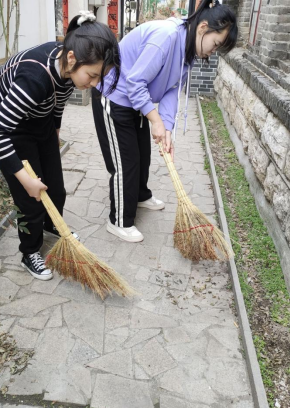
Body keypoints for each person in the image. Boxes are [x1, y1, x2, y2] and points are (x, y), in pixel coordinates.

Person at [0, 11, 121, 280]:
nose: (94, 84)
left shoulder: (69, 67)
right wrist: (25, 179)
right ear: (72, 58)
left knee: (55, 189)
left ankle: (51, 224)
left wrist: (54, 134)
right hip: (10, 128)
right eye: (92, 76)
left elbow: (58, 102)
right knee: (30, 199)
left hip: (39, 120)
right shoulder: (34, 77)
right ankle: (29, 251)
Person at [91, 0, 237, 243]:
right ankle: (119, 221)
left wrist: (166, 127)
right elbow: (135, 82)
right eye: (216, 44)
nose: (213, 51)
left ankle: (140, 195)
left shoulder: (188, 50)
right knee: (125, 162)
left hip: (136, 101)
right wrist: (155, 119)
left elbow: (172, 89)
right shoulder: (166, 37)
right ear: (203, 28)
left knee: (142, 155)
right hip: (115, 95)